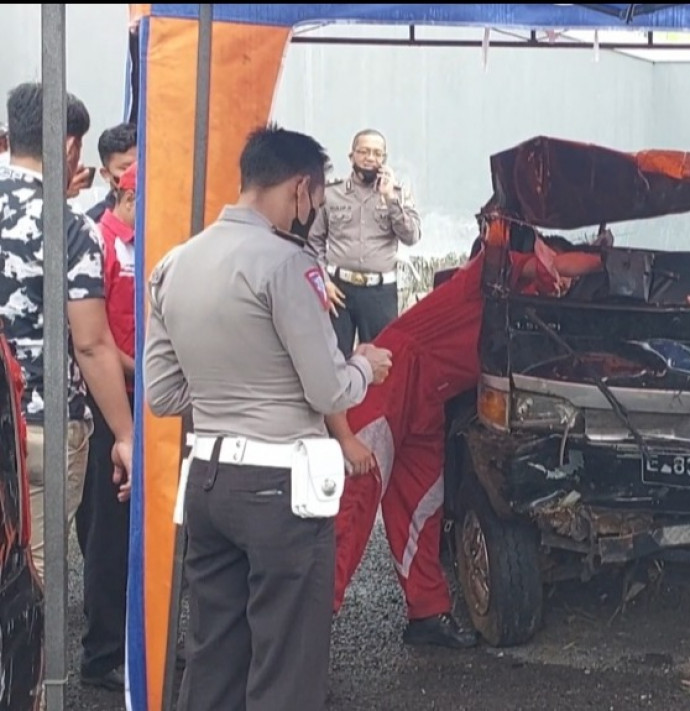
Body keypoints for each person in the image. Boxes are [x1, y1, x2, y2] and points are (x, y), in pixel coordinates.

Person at [144, 124, 393, 711]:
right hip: (281, 488)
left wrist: (224, 390)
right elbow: (327, 386)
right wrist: (363, 365)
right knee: (286, 664)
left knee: (212, 657)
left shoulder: (173, 264)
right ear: (301, 188)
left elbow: (162, 394)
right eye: (316, 198)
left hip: (207, 478)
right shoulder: (288, 265)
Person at [332, 233, 602, 647]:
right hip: (392, 382)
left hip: (430, 398)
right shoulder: (490, 274)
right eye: (556, 267)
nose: (561, 281)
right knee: (353, 508)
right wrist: (607, 259)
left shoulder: (533, 308)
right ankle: (303, 633)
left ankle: (426, 615)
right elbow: (557, 267)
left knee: (422, 509)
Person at [0, 82, 134, 586]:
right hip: (40, 426)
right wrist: (124, 434)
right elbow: (91, 342)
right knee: (27, 587)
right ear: (70, 147)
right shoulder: (69, 228)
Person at [74, 161, 138, 691]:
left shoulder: (143, 243)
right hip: (109, 398)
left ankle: (138, 637)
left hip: (146, 392)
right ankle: (103, 652)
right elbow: (92, 335)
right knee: (109, 527)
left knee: (147, 522)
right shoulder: (99, 241)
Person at [309, 129, 422, 356]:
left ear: (384, 160)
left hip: (379, 293)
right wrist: (323, 283)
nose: (371, 158)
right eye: (364, 151)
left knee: (382, 360)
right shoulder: (332, 193)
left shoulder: (397, 195)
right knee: (334, 359)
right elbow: (313, 243)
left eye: (377, 153)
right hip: (338, 289)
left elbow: (411, 237)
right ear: (351, 157)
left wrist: (390, 199)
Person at [86, 122, 137, 223]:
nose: (134, 173)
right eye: (125, 168)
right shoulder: (94, 224)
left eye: (140, 166)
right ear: (106, 174)